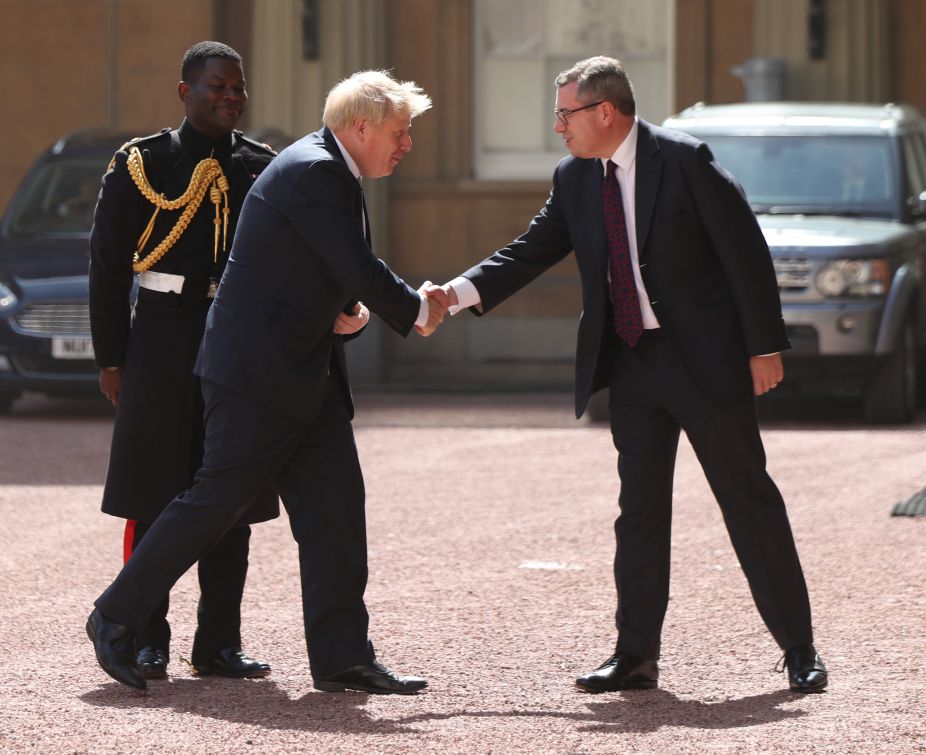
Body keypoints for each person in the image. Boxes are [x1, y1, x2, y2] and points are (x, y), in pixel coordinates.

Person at [437, 56, 828, 693]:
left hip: (705, 361)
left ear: (605, 112)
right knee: (638, 513)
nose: (558, 126)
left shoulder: (684, 159)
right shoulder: (572, 179)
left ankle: (799, 648)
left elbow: (745, 251)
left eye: (565, 114)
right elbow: (528, 252)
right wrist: (451, 296)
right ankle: (635, 656)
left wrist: (763, 347)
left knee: (748, 500)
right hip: (633, 364)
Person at [86, 68, 443, 694]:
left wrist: (347, 311)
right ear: (361, 126)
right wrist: (415, 310)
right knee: (211, 504)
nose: (406, 144)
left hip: (305, 372)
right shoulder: (315, 170)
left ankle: (341, 656)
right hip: (258, 375)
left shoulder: (326, 168)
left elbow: (323, 268)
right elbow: (357, 265)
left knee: (335, 511)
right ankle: (115, 616)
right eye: (400, 131)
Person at [88, 41, 282, 681]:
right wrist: (111, 358)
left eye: (237, 89)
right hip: (163, 336)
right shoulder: (143, 163)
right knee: (155, 490)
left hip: (234, 337)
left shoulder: (262, 166)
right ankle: (146, 634)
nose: (229, 97)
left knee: (231, 489)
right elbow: (109, 267)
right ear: (184, 92)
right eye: (216, 87)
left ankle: (220, 642)